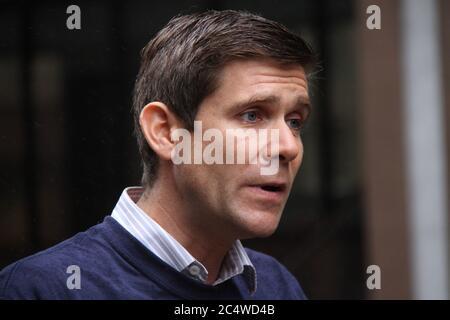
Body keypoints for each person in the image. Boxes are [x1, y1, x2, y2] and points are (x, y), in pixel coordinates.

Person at [0, 9, 316, 300]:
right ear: (165, 132)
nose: (287, 146)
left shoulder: (277, 287)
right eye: (252, 115)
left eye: (295, 122)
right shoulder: (41, 289)